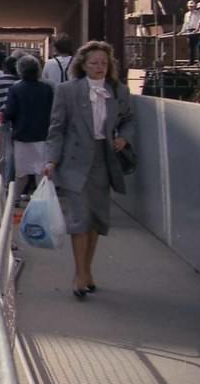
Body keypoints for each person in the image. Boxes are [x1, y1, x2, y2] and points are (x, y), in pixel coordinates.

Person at [43, 41, 135, 300]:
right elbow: (56, 128)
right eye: (94, 63)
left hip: (103, 160)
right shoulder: (67, 91)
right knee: (80, 218)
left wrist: (123, 137)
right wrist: (51, 160)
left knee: (96, 219)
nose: (99, 67)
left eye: (104, 63)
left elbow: (129, 120)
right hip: (74, 161)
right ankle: (80, 274)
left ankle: (87, 270)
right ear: (83, 65)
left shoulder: (118, 90)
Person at [3, 55, 54, 202]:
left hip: (21, 135)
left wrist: (5, 118)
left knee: (21, 173)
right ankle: (42, 202)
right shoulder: (47, 89)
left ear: (20, 70)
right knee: (41, 172)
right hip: (43, 135)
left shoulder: (15, 89)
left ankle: (13, 201)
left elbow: (10, 112)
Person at [180, 0, 200, 64]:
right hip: (189, 30)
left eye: (192, 6)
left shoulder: (198, 13)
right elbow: (185, 23)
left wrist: (198, 30)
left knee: (197, 46)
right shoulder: (187, 14)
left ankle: (198, 60)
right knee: (190, 46)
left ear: (194, 7)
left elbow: (199, 22)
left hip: (195, 31)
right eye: (190, 6)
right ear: (188, 7)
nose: (191, 8)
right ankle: (191, 60)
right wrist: (182, 31)